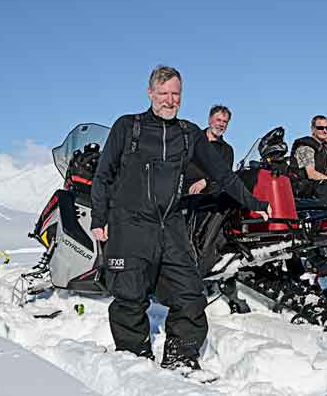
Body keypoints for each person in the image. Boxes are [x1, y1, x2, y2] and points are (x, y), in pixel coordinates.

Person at [90, 65, 269, 373]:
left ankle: (181, 357)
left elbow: (223, 174)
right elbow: (103, 176)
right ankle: (134, 359)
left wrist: (253, 202)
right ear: (150, 93)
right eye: (163, 94)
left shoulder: (188, 134)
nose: (170, 101)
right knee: (130, 297)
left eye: (176, 94)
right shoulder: (127, 127)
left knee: (189, 292)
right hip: (130, 224)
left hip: (170, 225)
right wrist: (99, 218)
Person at [186, 104, 235, 195]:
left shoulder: (227, 151)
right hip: (182, 194)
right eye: (218, 120)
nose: (221, 124)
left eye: (225, 122)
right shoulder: (191, 139)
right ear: (210, 120)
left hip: (208, 199)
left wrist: (205, 181)